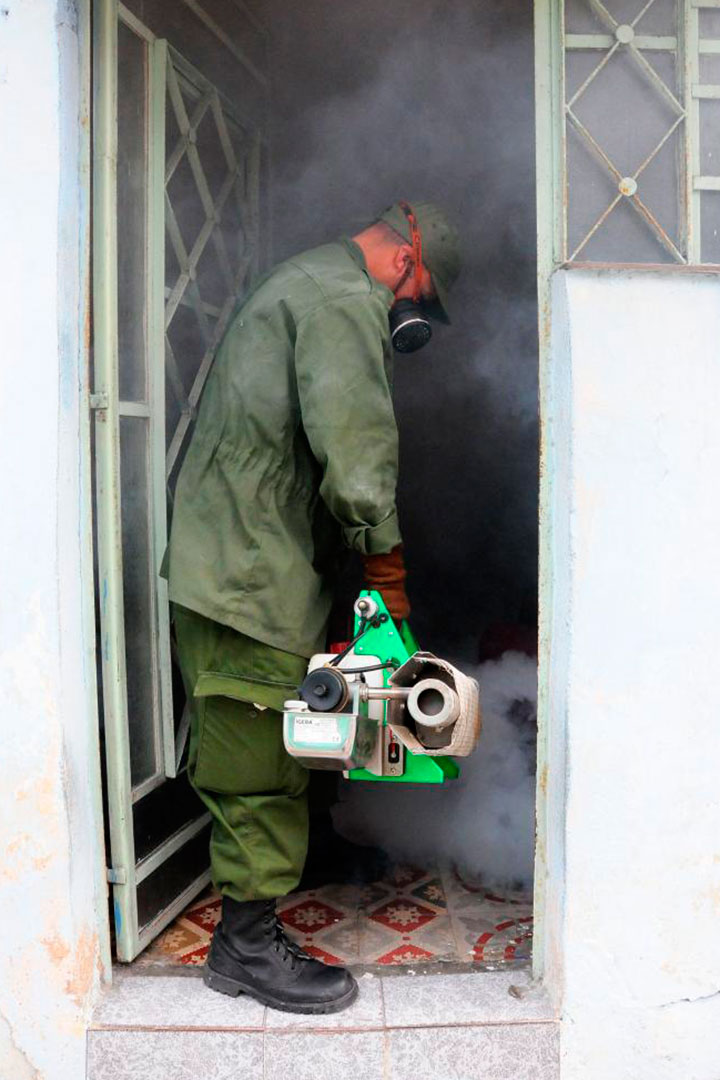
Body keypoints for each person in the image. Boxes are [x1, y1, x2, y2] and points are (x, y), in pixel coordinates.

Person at [166, 200, 461, 1013]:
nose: (415, 316)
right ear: (408, 259)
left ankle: (313, 847)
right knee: (255, 753)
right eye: (424, 296)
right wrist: (387, 571)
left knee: (300, 717)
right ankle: (245, 945)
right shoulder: (341, 303)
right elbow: (358, 449)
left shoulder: (312, 280)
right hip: (247, 571)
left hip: (265, 558)